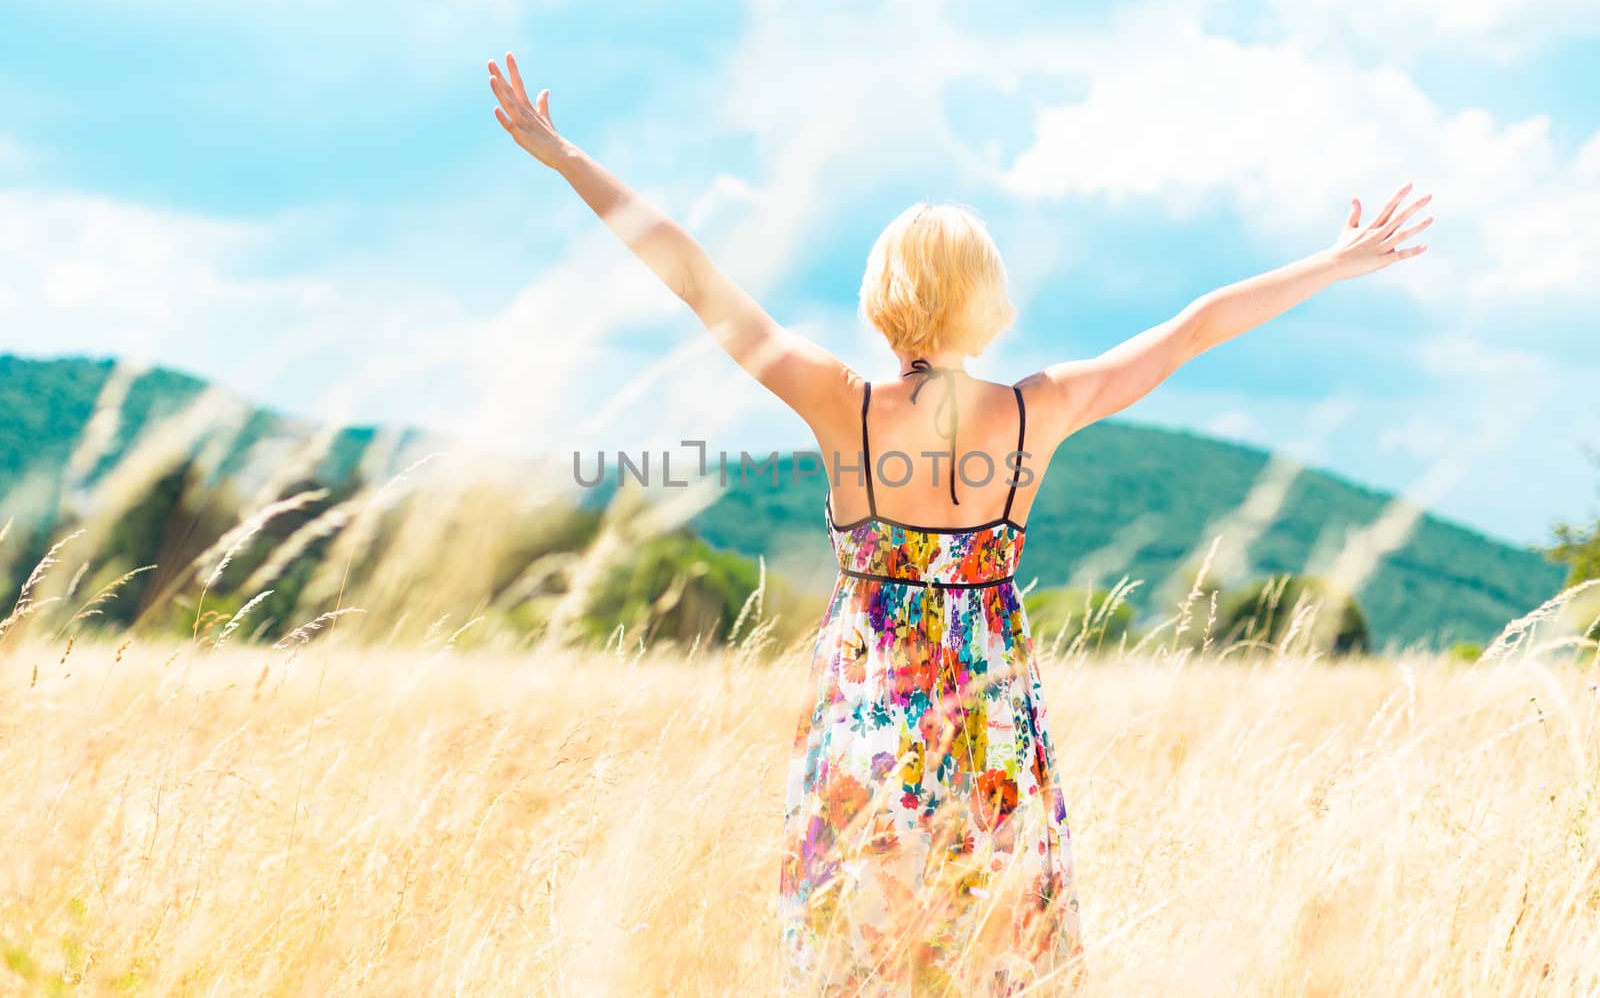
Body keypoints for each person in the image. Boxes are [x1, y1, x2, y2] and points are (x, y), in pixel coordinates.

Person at [486, 51, 1432, 995]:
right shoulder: (1037, 409)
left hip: (870, 728)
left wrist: (568, 156)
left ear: (882, 291)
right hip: (993, 722)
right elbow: (1193, 327)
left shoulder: (841, 406)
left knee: (864, 960)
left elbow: (695, 279)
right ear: (985, 296)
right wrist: (1333, 262)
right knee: (994, 954)